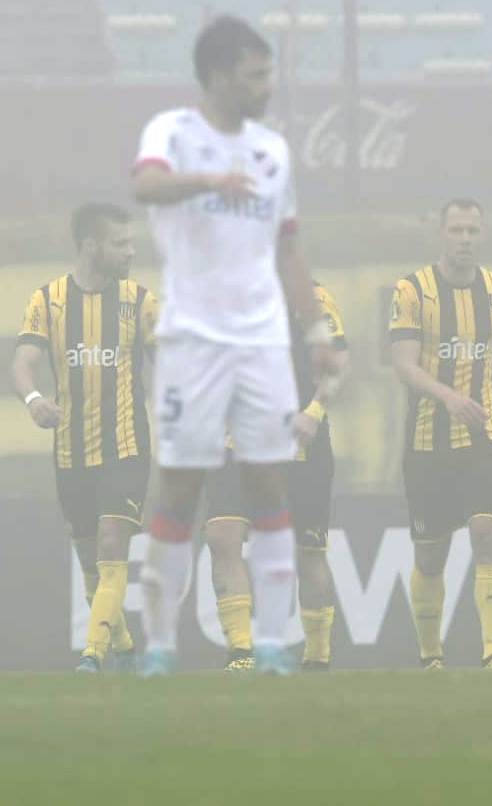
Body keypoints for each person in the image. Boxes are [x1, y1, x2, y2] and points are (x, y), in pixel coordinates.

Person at [130, 15, 339, 676]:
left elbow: (289, 249)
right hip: (192, 337)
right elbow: (145, 186)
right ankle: (160, 642)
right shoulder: (172, 132)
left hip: (261, 342)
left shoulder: (273, 151)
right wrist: (209, 182)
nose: (267, 86)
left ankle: (271, 643)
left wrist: (318, 333)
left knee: (269, 482)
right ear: (219, 75)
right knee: (182, 487)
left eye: (269, 72)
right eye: (256, 75)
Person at [390, 198, 492, 670]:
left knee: (487, 531)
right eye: (456, 230)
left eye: (472, 231)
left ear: (482, 235)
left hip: (486, 435)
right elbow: (403, 364)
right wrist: (447, 397)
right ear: (441, 234)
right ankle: (430, 655)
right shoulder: (412, 290)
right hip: (427, 442)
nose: (465, 240)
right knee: (431, 554)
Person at [12, 203, 155, 673]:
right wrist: (34, 398)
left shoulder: (140, 302)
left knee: (113, 542)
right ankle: (127, 645)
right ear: (91, 246)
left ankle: (93, 655)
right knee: (92, 561)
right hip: (71, 453)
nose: (130, 252)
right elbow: (23, 362)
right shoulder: (48, 300)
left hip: (126, 447)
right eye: (121, 243)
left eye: (131, 243)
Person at [203, 282, 349, 672]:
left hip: (300, 446)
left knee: (309, 555)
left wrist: (314, 413)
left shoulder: (315, 299)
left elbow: (337, 364)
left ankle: (317, 658)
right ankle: (241, 653)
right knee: (221, 535)